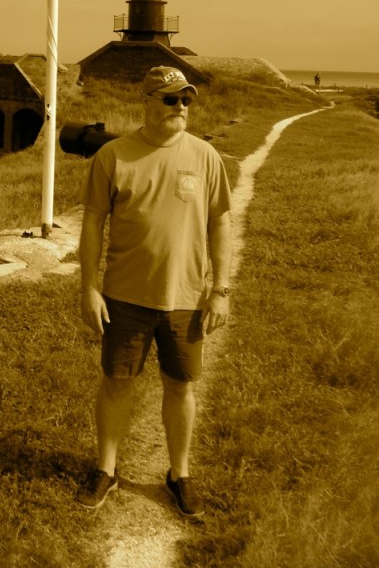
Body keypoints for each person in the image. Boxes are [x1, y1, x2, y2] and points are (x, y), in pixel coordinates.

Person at [77, 66, 233, 519]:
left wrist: (219, 290)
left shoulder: (206, 157)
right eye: (169, 99)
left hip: (186, 297)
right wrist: (89, 287)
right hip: (125, 295)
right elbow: (92, 221)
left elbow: (220, 220)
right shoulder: (113, 156)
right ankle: (106, 469)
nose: (179, 108)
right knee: (116, 382)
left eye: (185, 100)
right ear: (145, 101)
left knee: (180, 385)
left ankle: (179, 474)